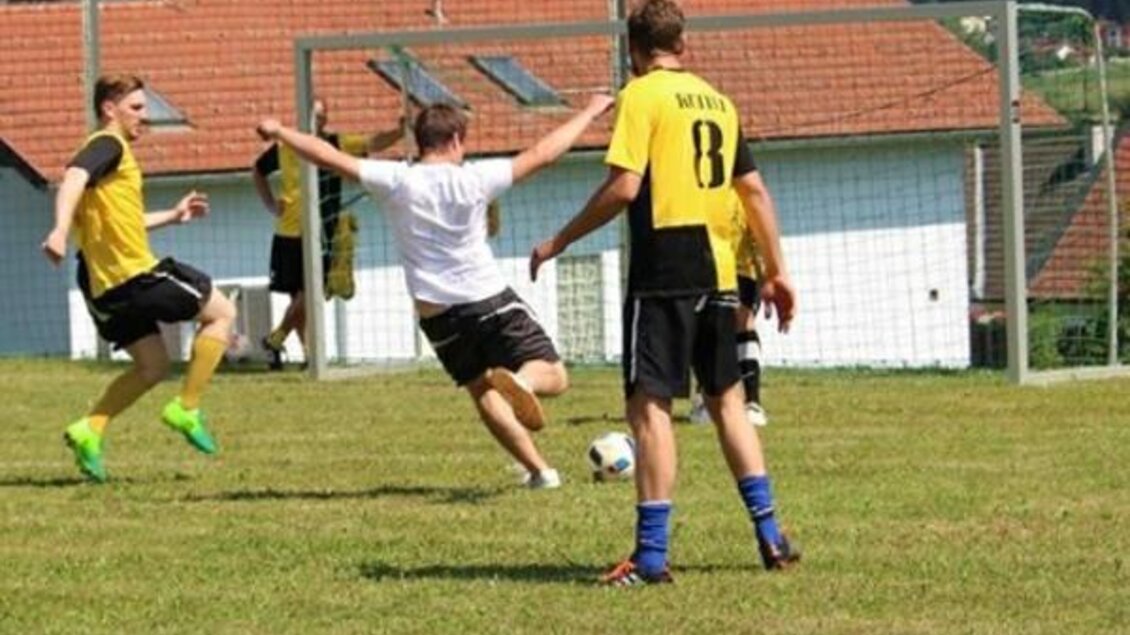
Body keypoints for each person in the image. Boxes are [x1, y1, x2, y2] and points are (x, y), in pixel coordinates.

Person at [529, 0, 799, 585]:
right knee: (728, 401)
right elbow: (754, 191)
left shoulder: (641, 97)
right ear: (684, 44)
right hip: (721, 268)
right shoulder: (719, 103)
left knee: (649, 407)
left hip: (666, 267)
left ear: (633, 50)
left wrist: (559, 239)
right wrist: (776, 271)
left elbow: (625, 187)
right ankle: (772, 534)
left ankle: (650, 558)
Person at [255, 94, 614, 489]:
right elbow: (544, 153)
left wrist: (281, 133)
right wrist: (591, 110)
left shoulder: (396, 180)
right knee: (556, 377)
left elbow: (326, 155)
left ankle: (540, 471)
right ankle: (525, 383)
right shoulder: (476, 177)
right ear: (457, 140)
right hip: (488, 298)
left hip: (437, 315)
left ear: (420, 141)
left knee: (480, 388)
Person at [40, 74, 237, 483]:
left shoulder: (110, 156)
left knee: (153, 365)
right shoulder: (107, 145)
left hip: (102, 285)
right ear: (109, 110)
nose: (144, 117)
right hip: (134, 276)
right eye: (136, 108)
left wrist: (173, 215)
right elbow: (73, 177)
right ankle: (187, 407)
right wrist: (58, 229)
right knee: (222, 313)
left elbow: (121, 223)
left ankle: (89, 429)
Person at [252, 98, 402, 370]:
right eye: (310, 114)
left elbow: (372, 143)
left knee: (311, 291)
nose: (315, 120)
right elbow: (258, 170)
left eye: (320, 116)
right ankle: (310, 355)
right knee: (297, 298)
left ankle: (276, 338)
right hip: (288, 231)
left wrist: (401, 131)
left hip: (322, 231)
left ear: (326, 120)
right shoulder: (286, 147)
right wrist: (271, 204)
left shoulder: (335, 144)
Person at [689, 194, 769, 426]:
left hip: (741, 268)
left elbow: (760, 225)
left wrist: (768, 273)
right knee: (703, 327)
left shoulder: (743, 190)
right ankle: (705, 398)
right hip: (703, 267)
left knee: (743, 321)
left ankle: (752, 402)